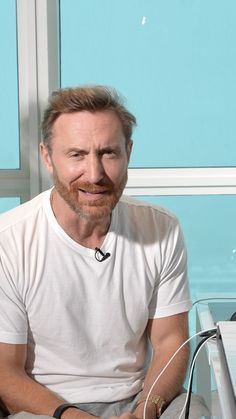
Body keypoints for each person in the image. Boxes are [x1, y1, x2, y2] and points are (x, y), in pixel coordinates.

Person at [0, 86, 209, 419]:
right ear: (47, 157)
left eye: (108, 153)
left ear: (128, 152)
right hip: (46, 409)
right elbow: (6, 375)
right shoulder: (8, 240)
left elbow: (171, 343)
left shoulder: (161, 228)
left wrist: (146, 410)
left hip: (136, 400)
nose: (95, 175)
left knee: (193, 411)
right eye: (77, 155)